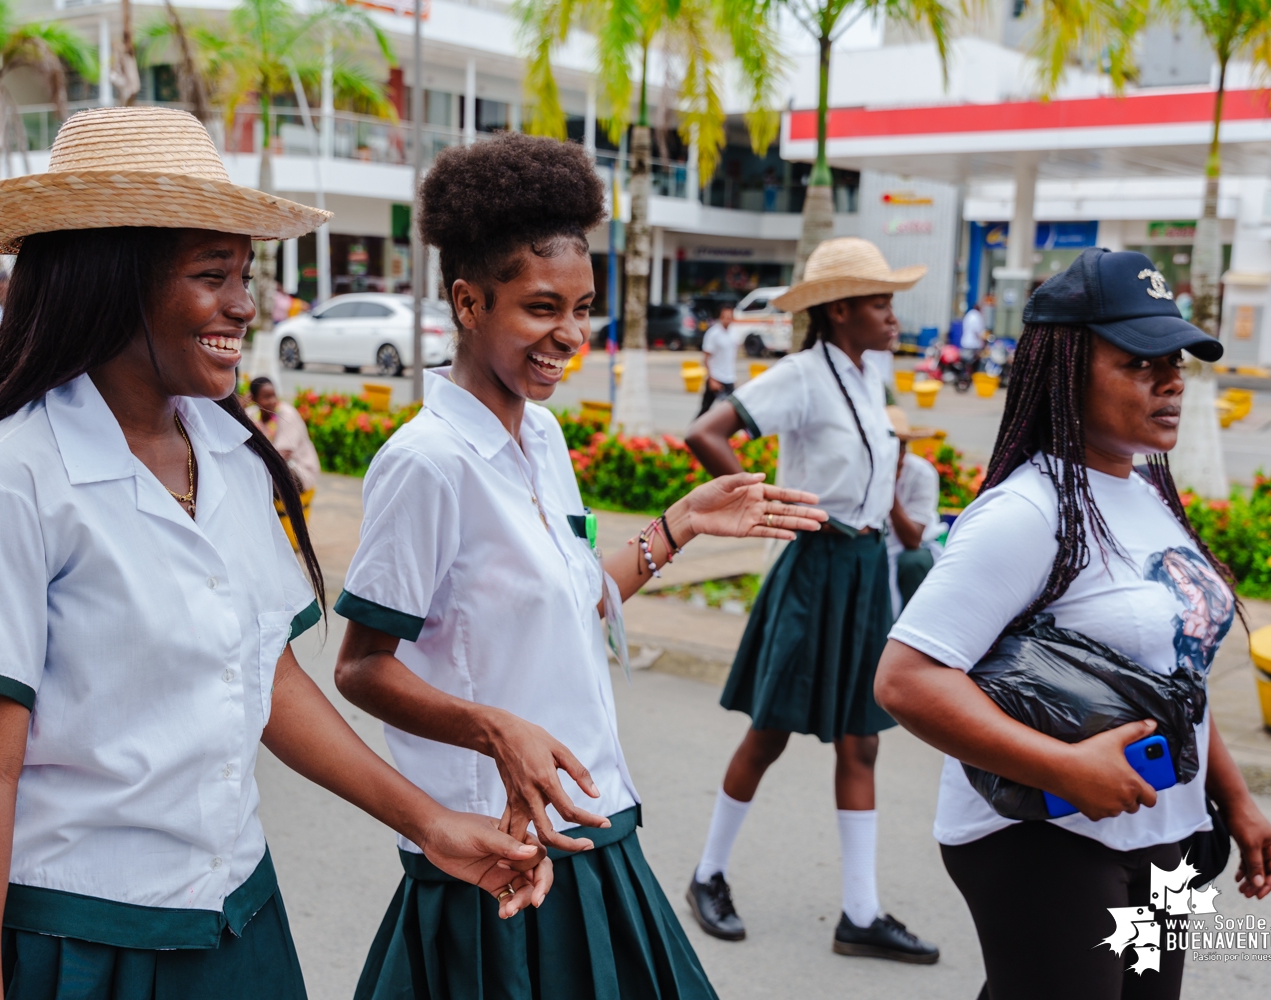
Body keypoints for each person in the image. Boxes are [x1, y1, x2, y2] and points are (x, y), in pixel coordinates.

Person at [0, 106, 553, 1000]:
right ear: (111, 281)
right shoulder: (13, 478)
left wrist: (431, 822)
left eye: (246, 274)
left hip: (236, 924)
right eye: (213, 275)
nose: (245, 305)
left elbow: (268, 680)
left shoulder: (231, 454)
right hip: (72, 942)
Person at [333, 132, 826, 1000]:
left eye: (583, 308)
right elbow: (362, 668)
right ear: (468, 301)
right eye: (541, 308)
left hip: (599, 820)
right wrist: (496, 728)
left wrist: (678, 525)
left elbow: (568, 600)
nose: (570, 335)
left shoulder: (543, 434)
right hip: (502, 850)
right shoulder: (427, 463)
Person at [875, 248, 1271, 1000]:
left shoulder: (1145, 488)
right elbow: (906, 681)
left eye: (1177, 362)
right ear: (1066, 370)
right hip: (1048, 840)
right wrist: (1063, 767)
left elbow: (1176, 674)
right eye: (1138, 361)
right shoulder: (1027, 513)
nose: (1170, 381)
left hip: (1168, 832)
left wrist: (1236, 799)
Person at [682, 236, 938, 963]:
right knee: (769, 733)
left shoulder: (865, 376)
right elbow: (706, 432)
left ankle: (861, 912)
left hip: (863, 570)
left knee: (862, 737)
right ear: (842, 309)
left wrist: (900, 524)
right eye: (882, 302)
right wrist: (767, 507)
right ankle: (708, 875)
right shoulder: (801, 375)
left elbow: (875, 466)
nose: (894, 315)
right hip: (814, 564)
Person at [247, 376, 320, 547]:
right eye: (266, 397)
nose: (272, 401)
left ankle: (266, 537)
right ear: (254, 399)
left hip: (299, 471)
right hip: (272, 470)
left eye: (274, 395)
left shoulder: (286, 414)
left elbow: (280, 456)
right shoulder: (251, 414)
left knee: (262, 481)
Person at [884, 405, 940, 618]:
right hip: (875, 552)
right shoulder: (859, 469)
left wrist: (887, 489)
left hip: (911, 551)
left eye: (902, 447)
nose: (899, 455)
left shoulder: (922, 473)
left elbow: (913, 540)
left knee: (914, 561)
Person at [698, 306, 738, 416]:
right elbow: (706, 357)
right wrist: (711, 379)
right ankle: (693, 431)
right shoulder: (713, 333)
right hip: (716, 377)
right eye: (724, 317)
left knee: (732, 411)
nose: (727, 320)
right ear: (720, 317)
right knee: (705, 409)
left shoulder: (733, 333)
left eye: (729, 317)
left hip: (729, 378)